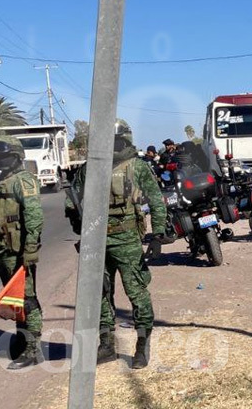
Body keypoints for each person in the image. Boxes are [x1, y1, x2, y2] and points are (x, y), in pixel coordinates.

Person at [65, 121, 169, 369]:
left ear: (124, 141)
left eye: (116, 141)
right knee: (100, 295)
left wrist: (158, 235)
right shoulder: (89, 169)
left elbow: (156, 201)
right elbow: (72, 203)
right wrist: (82, 231)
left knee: (137, 293)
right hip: (97, 243)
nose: (112, 146)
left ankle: (142, 347)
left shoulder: (137, 167)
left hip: (128, 241)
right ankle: (106, 345)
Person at [0, 136, 45, 369]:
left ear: (16, 155)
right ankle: (21, 339)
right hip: (0, 249)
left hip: (17, 251)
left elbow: (34, 216)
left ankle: (32, 348)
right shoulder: (2, 180)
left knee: (26, 298)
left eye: (3, 155)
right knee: (13, 299)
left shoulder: (23, 180)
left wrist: (30, 249)